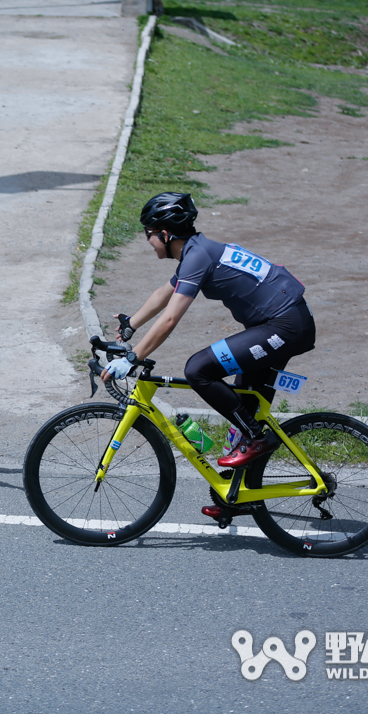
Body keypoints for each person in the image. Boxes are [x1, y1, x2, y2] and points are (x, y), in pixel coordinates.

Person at [102, 192, 315, 515]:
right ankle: (238, 494)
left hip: (284, 324)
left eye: (148, 234)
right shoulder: (196, 252)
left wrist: (133, 358)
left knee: (199, 368)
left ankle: (258, 437)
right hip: (279, 322)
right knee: (245, 405)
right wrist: (131, 323)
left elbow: (171, 318)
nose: (148, 241)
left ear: (165, 234)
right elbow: (166, 292)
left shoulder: (198, 255)